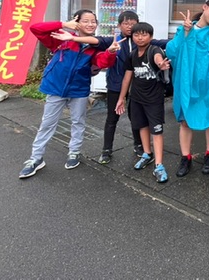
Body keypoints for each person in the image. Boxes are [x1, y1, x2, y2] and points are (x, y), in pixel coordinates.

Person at [58, 11, 169, 163]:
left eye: (133, 24)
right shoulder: (113, 40)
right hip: (116, 84)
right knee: (112, 118)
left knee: (136, 118)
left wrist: (186, 34)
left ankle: (139, 146)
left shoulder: (143, 41)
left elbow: (166, 44)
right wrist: (73, 38)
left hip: (137, 87)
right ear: (119, 25)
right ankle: (106, 150)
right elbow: (95, 40)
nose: (129, 27)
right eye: (126, 24)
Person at [19, 10, 119, 179]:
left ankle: (74, 152)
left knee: (78, 121)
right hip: (55, 87)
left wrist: (110, 52)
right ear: (76, 21)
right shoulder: (61, 37)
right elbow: (35, 28)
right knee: (47, 124)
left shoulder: (96, 45)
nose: (90, 24)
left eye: (93, 21)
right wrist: (63, 24)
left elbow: (102, 62)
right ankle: (36, 158)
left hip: (79, 89)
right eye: (86, 21)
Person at [165, 0, 209, 177]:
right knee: (185, 120)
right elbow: (171, 52)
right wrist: (185, 33)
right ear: (204, 7)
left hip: (208, 85)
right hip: (186, 84)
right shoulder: (184, 29)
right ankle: (185, 157)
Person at [115, 22, 171, 183]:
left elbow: (158, 59)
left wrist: (160, 64)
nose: (140, 38)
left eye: (144, 34)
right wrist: (121, 98)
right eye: (137, 35)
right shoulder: (132, 55)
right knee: (142, 126)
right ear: (132, 37)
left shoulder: (154, 50)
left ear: (151, 37)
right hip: (136, 98)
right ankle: (147, 154)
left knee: (157, 131)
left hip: (154, 100)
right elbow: (127, 78)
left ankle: (159, 165)